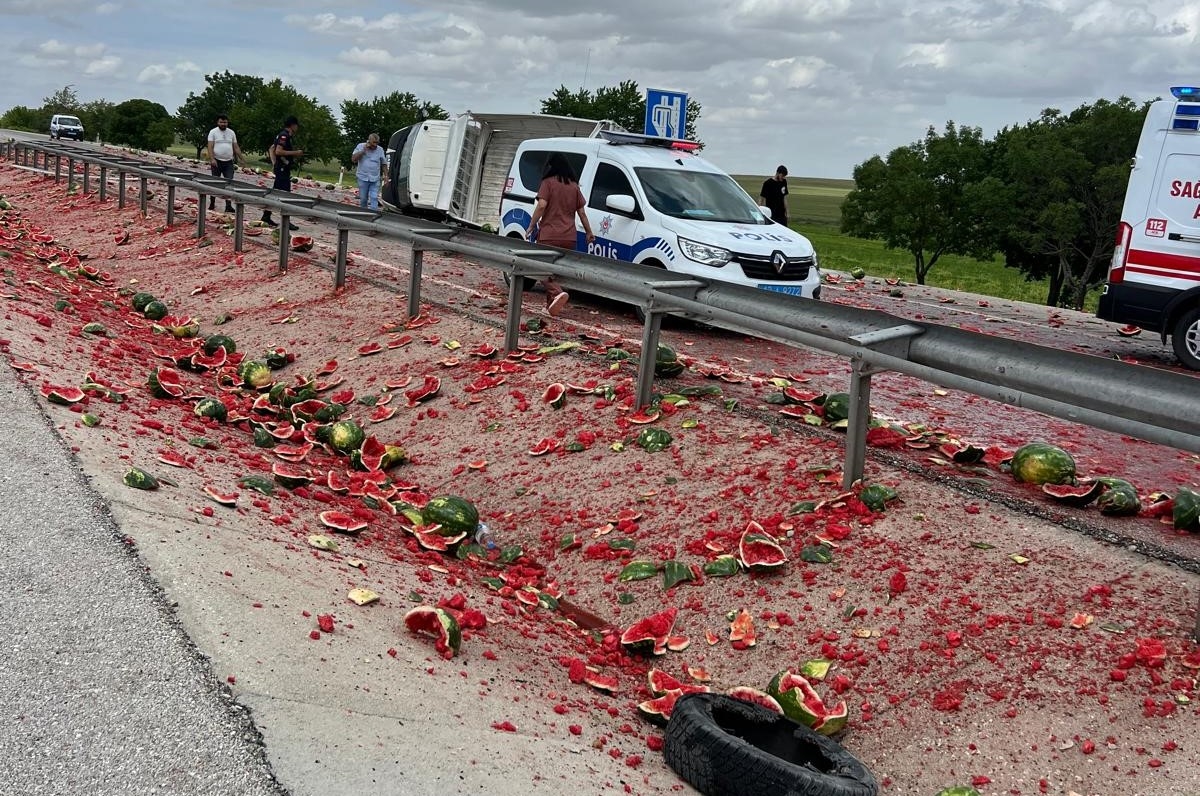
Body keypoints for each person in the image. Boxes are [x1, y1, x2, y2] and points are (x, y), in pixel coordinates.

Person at [525, 153, 595, 317]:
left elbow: (542, 205)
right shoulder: (574, 186)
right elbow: (582, 213)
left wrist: (531, 225)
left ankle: (557, 293)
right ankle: (551, 306)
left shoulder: (548, 183)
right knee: (554, 271)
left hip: (549, 234)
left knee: (539, 268)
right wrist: (589, 232)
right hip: (569, 236)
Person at [263, 116, 302, 229]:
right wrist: (295, 153)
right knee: (286, 195)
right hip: (282, 169)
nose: (297, 127)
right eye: (296, 125)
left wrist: (274, 163)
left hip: (282, 168)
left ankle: (266, 216)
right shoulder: (284, 135)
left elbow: (271, 148)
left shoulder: (284, 135)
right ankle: (286, 221)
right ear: (293, 125)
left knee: (275, 193)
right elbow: (278, 151)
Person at [205, 114, 244, 213]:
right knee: (215, 183)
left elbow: (235, 147)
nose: (223, 124)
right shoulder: (213, 132)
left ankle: (228, 205)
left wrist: (242, 159)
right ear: (218, 122)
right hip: (217, 161)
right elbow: (210, 146)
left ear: (227, 123)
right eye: (221, 122)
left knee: (229, 183)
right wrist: (212, 159)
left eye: (225, 122)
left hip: (228, 162)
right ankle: (212, 203)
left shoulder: (231, 133)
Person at [351, 133, 386, 211]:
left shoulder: (380, 149)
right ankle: (364, 214)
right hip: (362, 177)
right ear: (369, 141)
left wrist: (386, 176)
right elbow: (353, 159)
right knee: (363, 199)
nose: (375, 144)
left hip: (375, 178)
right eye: (373, 142)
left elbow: (384, 163)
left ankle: (374, 214)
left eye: (377, 142)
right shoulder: (360, 146)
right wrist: (363, 151)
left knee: (374, 197)